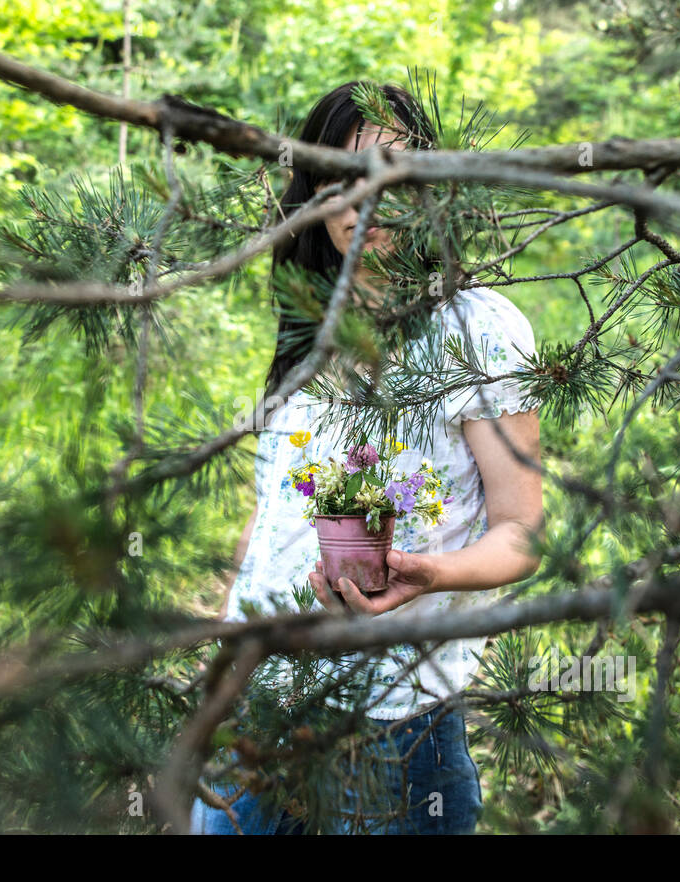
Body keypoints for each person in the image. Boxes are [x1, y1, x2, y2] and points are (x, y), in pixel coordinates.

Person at [191, 81, 544, 835]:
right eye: (340, 177)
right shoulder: (309, 328)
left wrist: (428, 576)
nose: (368, 197)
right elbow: (274, 512)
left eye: (394, 171)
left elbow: (522, 531)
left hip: (394, 727)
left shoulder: (478, 329)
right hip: (262, 706)